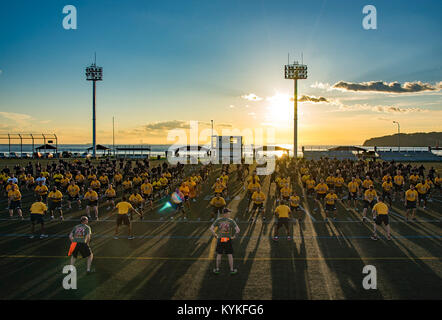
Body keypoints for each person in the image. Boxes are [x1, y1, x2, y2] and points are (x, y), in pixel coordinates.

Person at [210, 208, 240, 275]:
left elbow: (211, 228)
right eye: (228, 212)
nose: (229, 214)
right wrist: (234, 236)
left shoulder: (218, 220)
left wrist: (215, 235)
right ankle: (232, 270)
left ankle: (217, 269)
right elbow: (238, 230)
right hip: (228, 239)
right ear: (225, 213)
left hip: (220, 239)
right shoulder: (231, 221)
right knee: (229, 255)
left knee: (219, 254)